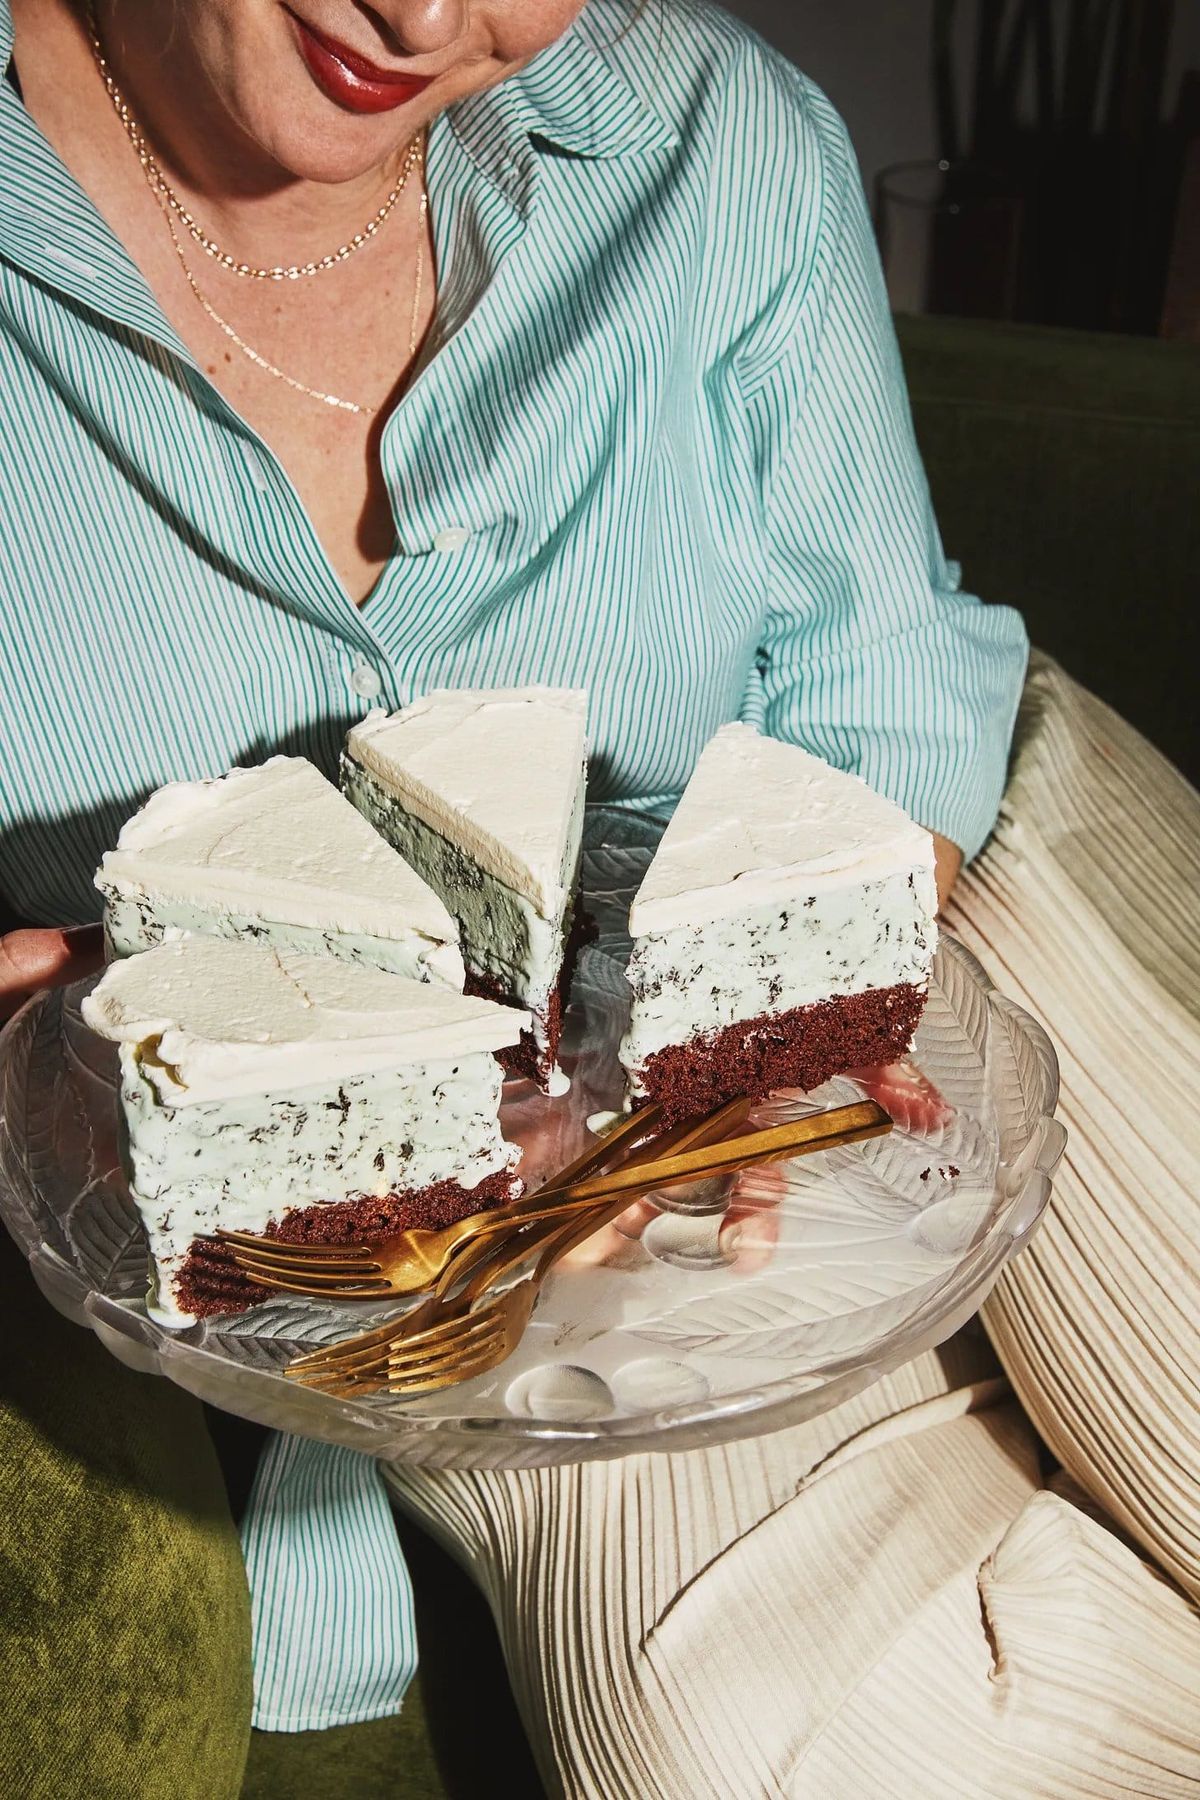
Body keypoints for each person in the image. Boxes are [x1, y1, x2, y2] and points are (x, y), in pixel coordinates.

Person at [0, 0, 1045, 1786]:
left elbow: (889, 703)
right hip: (237, 1348)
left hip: (756, 1196)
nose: (417, 18)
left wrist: (753, 1014)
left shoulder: (721, 147)